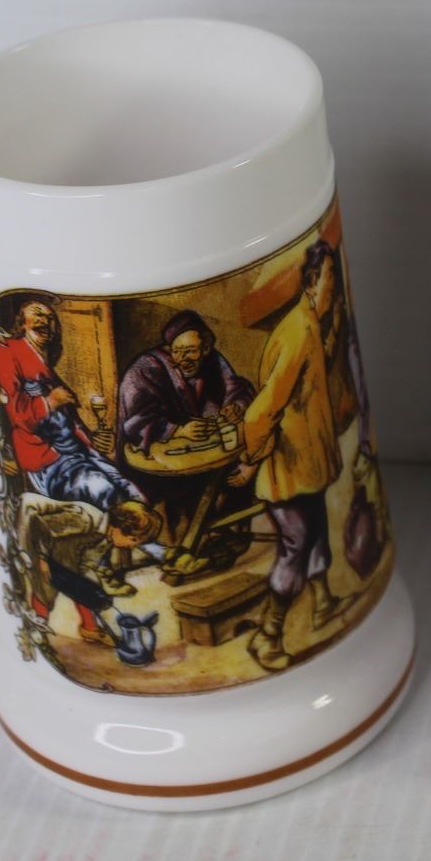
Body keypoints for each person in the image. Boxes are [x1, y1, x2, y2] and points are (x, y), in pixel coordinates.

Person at [240, 241, 354, 671]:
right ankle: (267, 636)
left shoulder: (311, 327)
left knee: (317, 532)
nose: (334, 288)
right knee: (297, 544)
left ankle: (323, 602)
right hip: (287, 468)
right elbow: (264, 407)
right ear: (311, 283)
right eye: (329, 280)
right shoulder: (297, 332)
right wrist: (251, 456)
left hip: (308, 464)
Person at [116, 310, 256, 576]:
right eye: (177, 351)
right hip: (151, 458)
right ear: (169, 349)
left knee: (229, 475)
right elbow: (135, 421)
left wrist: (235, 406)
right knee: (176, 493)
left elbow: (236, 388)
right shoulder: (144, 369)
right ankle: (183, 547)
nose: (184, 359)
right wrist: (177, 430)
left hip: (199, 452)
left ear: (205, 348)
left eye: (191, 351)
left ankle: (221, 538)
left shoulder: (213, 360)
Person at [0, 300, 146, 515]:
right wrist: (51, 401)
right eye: (37, 313)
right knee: (105, 492)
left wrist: (93, 438)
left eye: (50, 318)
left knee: (132, 492)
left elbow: (70, 424)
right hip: (49, 461)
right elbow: (18, 414)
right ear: (21, 323)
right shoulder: (5, 350)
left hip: (80, 452)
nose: (45, 320)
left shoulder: (47, 370)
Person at [21, 496, 160, 649]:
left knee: (84, 590)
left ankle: (90, 629)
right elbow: (40, 525)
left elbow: (92, 563)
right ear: (120, 528)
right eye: (133, 540)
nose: (132, 546)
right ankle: (38, 629)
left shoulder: (106, 538)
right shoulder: (85, 519)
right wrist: (42, 558)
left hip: (67, 558)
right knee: (44, 590)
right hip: (41, 547)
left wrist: (104, 588)